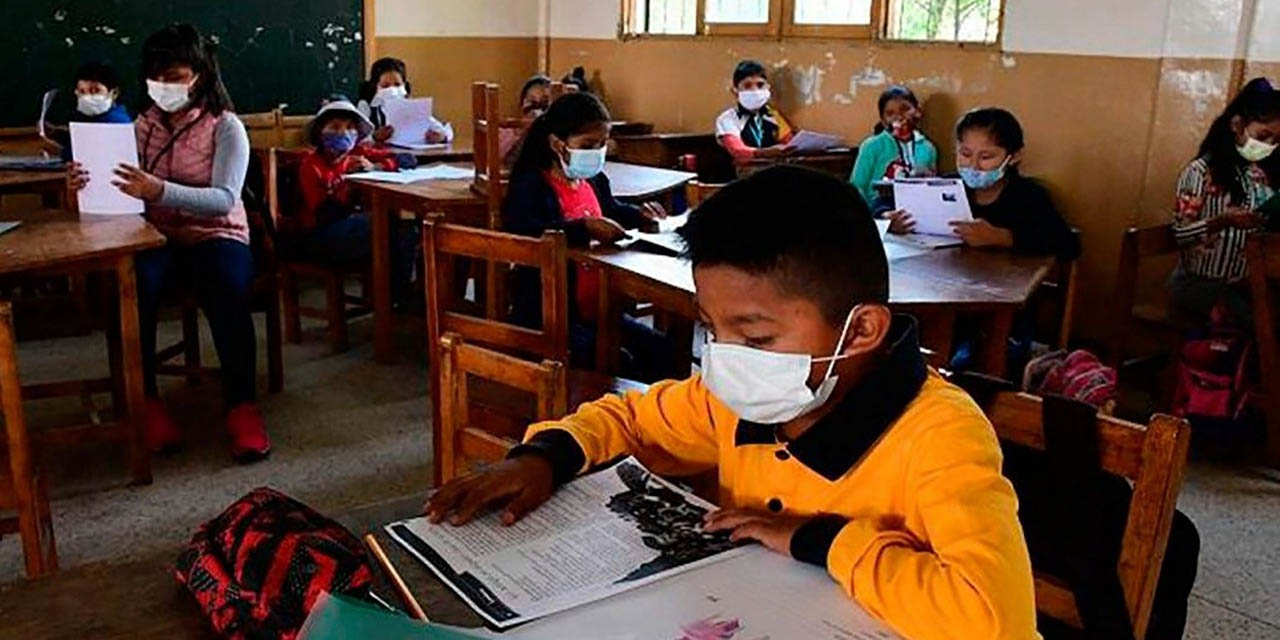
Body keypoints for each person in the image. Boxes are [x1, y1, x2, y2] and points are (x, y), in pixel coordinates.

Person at [432, 166, 1039, 640]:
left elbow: (991, 622)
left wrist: (821, 540)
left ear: (860, 332)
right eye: (711, 329)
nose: (726, 356)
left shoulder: (940, 433)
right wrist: (546, 457)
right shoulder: (740, 399)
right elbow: (628, 418)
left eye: (755, 338)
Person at [67, 24, 269, 461]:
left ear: (199, 75)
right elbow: (117, 186)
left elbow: (224, 199)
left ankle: (242, 406)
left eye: (175, 76)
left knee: (226, 287)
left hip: (216, 232)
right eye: (157, 77)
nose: (165, 86)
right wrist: (84, 183)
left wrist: (157, 190)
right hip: (155, 238)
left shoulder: (226, 127)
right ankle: (147, 401)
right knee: (132, 288)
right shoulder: (141, 127)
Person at [502, 91, 671, 380]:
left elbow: (610, 209)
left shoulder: (593, 179)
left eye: (603, 144)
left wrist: (638, 214)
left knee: (662, 351)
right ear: (558, 144)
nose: (597, 151)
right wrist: (585, 227)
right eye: (588, 144)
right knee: (617, 361)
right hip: (551, 314)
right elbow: (526, 232)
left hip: (599, 308)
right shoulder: (532, 185)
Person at [887, 107, 1080, 260]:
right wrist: (891, 222)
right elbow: (885, 210)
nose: (973, 166)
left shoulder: (1028, 196)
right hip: (948, 284)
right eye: (965, 154)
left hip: (1005, 295)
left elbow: (1068, 245)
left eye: (986, 157)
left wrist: (1004, 238)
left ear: (1014, 156)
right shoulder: (945, 187)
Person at [1169, 77, 1280, 325]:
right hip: (1199, 284)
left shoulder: (1257, 175)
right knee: (1262, 324)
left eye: (1276, 141)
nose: (1269, 146)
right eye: (1264, 136)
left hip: (1244, 284)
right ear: (1237, 125)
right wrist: (1223, 221)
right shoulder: (1200, 172)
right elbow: (1179, 234)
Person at [286, 98, 416, 302]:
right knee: (383, 224)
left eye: (350, 128)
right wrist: (348, 184)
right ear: (320, 133)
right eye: (335, 127)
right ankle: (393, 297)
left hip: (349, 227)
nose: (343, 133)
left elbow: (408, 159)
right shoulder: (310, 165)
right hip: (318, 235)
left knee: (404, 227)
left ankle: (399, 295)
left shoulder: (358, 154)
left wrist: (376, 168)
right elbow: (324, 214)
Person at [848, 85, 938, 211]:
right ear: (884, 121)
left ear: (917, 112)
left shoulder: (928, 148)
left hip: (916, 209)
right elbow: (857, 188)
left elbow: (933, 187)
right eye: (890, 114)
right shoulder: (871, 146)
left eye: (905, 109)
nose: (899, 117)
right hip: (878, 210)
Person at [356, 57, 453, 146]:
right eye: (385, 86)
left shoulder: (411, 107)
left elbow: (445, 131)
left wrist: (442, 137)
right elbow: (356, 139)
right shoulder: (366, 106)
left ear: (404, 86)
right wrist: (374, 137)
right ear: (375, 86)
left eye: (397, 85)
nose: (392, 90)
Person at [46, 61, 133, 161]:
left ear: (114, 93)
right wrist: (58, 135)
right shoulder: (95, 118)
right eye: (82, 92)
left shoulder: (116, 122)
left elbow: (79, 154)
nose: (87, 97)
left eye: (96, 91)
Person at [714, 60, 794, 164]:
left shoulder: (773, 116)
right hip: (741, 175)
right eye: (747, 86)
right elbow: (738, 151)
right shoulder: (727, 119)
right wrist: (768, 152)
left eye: (760, 85)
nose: (754, 90)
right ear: (735, 91)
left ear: (767, 88)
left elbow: (790, 142)